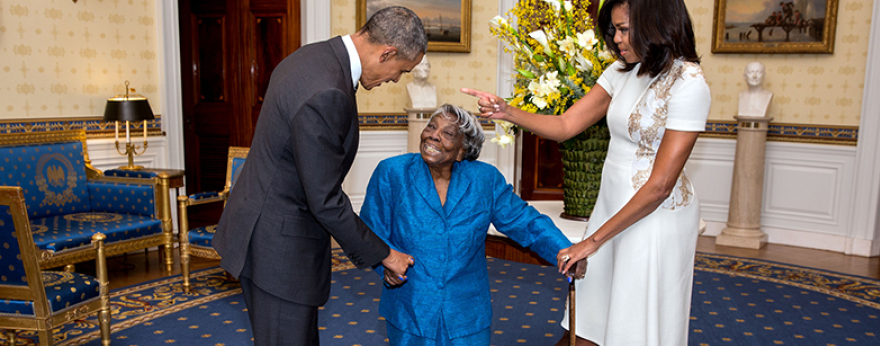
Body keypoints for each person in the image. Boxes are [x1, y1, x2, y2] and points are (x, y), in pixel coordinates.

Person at [462, 0, 711, 344]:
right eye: (614, 29)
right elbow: (566, 125)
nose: (616, 38)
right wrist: (507, 112)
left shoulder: (689, 83)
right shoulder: (622, 71)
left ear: (657, 24)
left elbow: (660, 186)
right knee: (591, 309)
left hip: (655, 218)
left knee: (633, 319)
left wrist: (589, 243)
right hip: (611, 203)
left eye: (624, 29)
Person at [212, 7, 427, 345]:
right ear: (387, 52)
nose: (395, 80)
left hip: (262, 230)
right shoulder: (327, 91)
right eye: (401, 70)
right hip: (279, 252)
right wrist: (385, 254)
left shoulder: (311, 56)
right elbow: (325, 201)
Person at [360, 104, 575, 346]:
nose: (433, 135)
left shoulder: (484, 180)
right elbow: (369, 229)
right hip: (410, 307)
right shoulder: (392, 172)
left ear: (462, 150)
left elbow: (525, 222)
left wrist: (564, 250)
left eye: (447, 134)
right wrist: (385, 263)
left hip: (467, 314)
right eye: (431, 126)